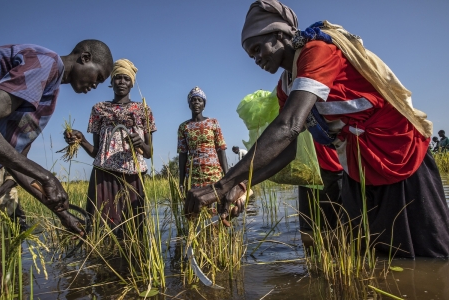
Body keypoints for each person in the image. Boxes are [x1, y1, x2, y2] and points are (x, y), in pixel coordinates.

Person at [185, 0, 449, 258]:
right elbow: (288, 150)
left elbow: (289, 126)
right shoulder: (285, 87)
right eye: (250, 54)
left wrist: (220, 185)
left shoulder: (317, 51)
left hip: (397, 155)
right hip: (359, 166)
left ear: (279, 35)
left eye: (257, 48)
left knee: (423, 253)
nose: (256, 59)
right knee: (374, 253)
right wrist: (242, 183)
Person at [0, 40, 113, 235]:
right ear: (85, 58)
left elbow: (17, 164)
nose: (95, 85)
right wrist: (47, 176)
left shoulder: (47, 96)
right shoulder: (47, 62)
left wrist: (64, 215)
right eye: (98, 77)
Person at [64, 59, 156, 236]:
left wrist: (141, 144)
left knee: (133, 227)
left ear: (132, 83)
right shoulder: (99, 109)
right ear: (111, 81)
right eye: (118, 78)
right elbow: (96, 153)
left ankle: (130, 262)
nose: (121, 82)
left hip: (133, 175)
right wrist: (81, 140)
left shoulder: (143, 110)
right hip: (104, 174)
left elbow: (149, 153)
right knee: (100, 225)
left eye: (126, 78)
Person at [178, 87, 229, 191]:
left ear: (204, 105)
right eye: (193, 100)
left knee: (215, 204)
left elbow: (221, 150)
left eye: (199, 100)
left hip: (213, 173)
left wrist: (227, 178)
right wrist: (181, 182)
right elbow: (182, 155)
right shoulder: (184, 127)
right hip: (193, 176)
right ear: (189, 104)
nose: (196, 102)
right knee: (195, 205)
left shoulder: (213, 123)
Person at [0, 167, 27, 232]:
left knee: (16, 230)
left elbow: (13, 177)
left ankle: (20, 225)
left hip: (6, 196)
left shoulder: (5, 159)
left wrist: (0, 191)